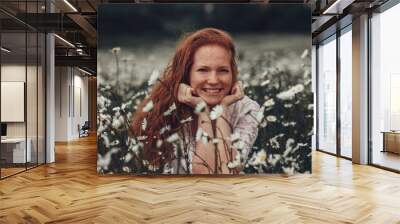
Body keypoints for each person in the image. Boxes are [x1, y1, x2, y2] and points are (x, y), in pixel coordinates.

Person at [131, 28, 260, 174]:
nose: (213, 80)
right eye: (203, 70)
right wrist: (203, 111)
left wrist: (222, 111)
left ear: (232, 73)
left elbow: (229, 171)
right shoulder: (168, 109)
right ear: (187, 73)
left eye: (223, 70)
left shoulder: (247, 109)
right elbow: (203, 175)